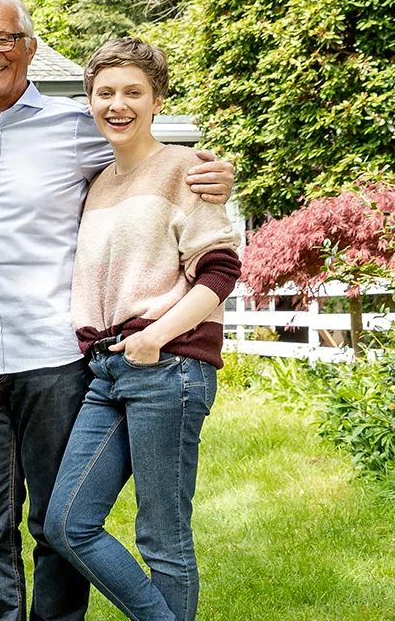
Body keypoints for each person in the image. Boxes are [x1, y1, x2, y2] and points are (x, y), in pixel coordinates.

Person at [0, 0, 233, 621]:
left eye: (4, 39)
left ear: (29, 47)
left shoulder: (76, 127)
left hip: (57, 359)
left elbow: (161, 161)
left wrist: (221, 174)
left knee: (59, 529)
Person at [44, 38, 239, 621]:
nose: (118, 104)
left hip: (169, 365)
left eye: (133, 92)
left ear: (158, 100)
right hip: (107, 368)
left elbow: (220, 269)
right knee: (68, 523)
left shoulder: (186, 169)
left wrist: (157, 336)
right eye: (105, 93)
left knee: (161, 536)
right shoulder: (98, 184)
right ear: (90, 101)